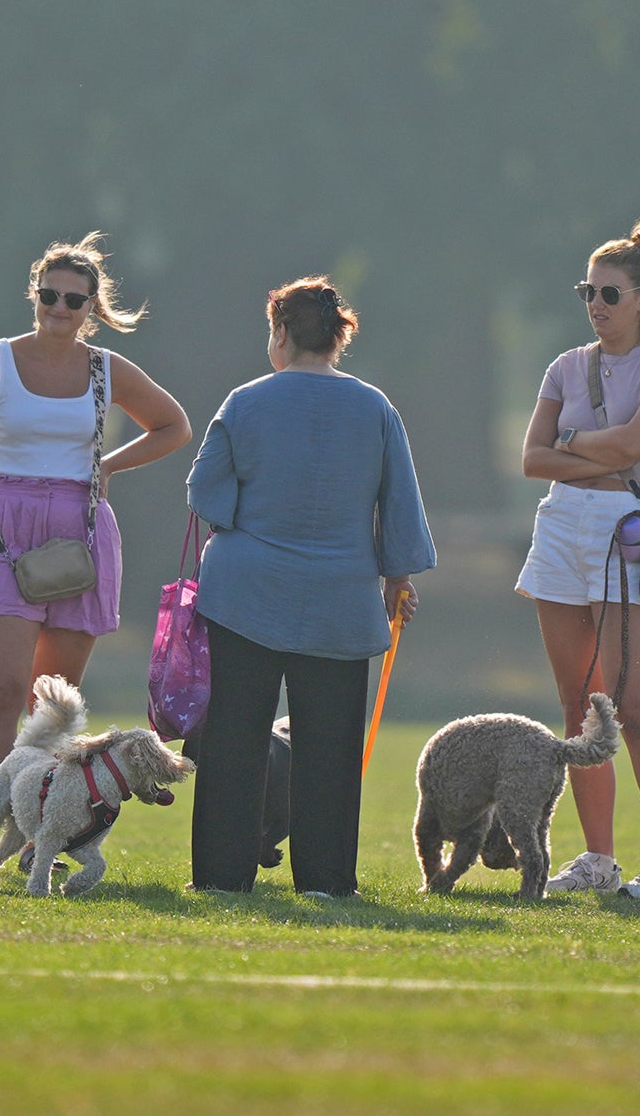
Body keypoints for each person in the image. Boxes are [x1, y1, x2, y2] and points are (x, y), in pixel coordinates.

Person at [0, 233, 191, 818]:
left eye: (73, 300)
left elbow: (173, 426)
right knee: (1, 690)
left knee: (52, 705)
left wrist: (108, 464)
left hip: (80, 532)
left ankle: (40, 828)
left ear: (92, 310)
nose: (59, 308)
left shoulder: (107, 369)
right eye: (48, 295)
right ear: (33, 295)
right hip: (4, 525)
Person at [186, 277, 434, 897]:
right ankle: (325, 879)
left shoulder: (244, 401)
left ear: (281, 333)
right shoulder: (376, 407)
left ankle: (223, 876)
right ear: (337, 339)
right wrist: (395, 578)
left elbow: (205, 492)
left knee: (234, 741)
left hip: (245, 591)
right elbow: (399, 503)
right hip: (341, 598)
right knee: (329, 747)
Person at [515, 221, 640, 900]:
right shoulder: (566, 365)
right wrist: (587, 452)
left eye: (609, 292)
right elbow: (530, 459)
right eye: (587, 291)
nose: (596, 304)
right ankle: (599, 858)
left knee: (630, 704)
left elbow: (635, 445)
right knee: (579, 705)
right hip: (562, 524)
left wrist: (572, 441)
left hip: (628, 527)